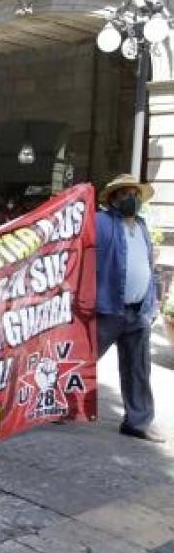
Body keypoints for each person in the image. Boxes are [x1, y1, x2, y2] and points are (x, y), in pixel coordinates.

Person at [96, 174, 164, 443]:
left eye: (134, 194)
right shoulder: (100, 222)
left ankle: (138, 422)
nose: (131, 199)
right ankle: (54, 405)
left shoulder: (143, 227)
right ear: (113, 199)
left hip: (138, 311)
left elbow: (146, 264)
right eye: (124, 194)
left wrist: (152, 303)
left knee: (138, 369)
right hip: (107, 309)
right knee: (80, 360)